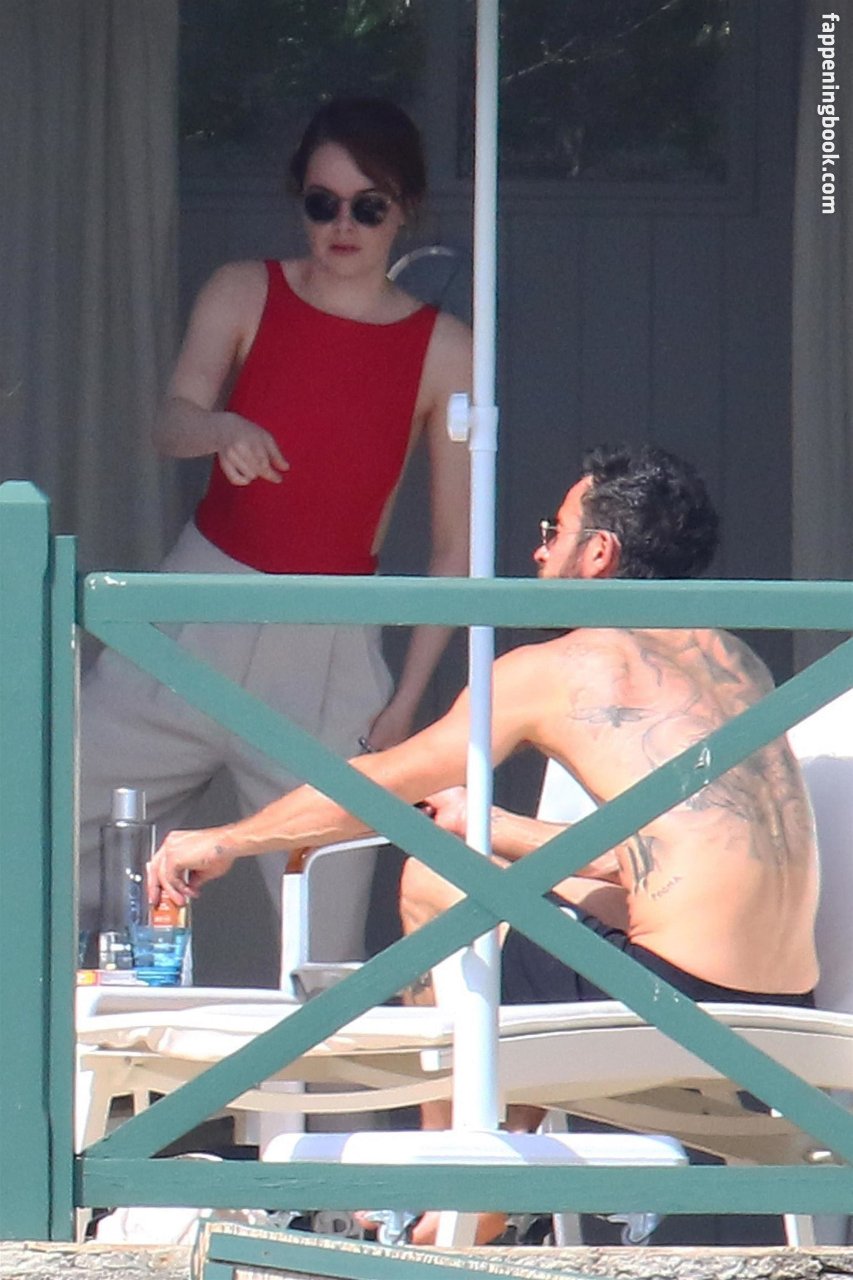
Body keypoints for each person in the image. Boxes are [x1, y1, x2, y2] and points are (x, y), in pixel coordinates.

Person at [148, 443, 819, 1239]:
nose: (537, 551)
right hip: (785, 1006)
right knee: (508, 892)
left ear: (598, 553)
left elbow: (378, 784)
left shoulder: (558, 667)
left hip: (663, 997)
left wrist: (228, 839)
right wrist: (492, 826)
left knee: (434, 882)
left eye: (553, 530)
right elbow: (653, 858)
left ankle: (455, 1184)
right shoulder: (736, 660)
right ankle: (494, 1175)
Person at [78, 97, 472, 955]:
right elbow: (170, 422)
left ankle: (307, 1056)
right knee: (53, 825)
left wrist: (408, 700)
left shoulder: (447, 348)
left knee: (321, 925)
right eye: (322, 203)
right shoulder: (242, 288)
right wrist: (219, 429)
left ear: (404, 208)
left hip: (331, 641)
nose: (343, 225)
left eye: (367, 205)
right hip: (193, 609)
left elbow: (454, 548)